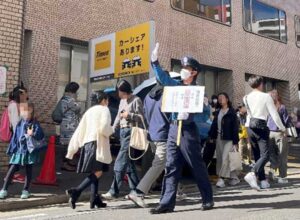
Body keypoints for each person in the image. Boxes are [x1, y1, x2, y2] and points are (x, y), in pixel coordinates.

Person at [149, 43, 214, 214]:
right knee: (171, 166)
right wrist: (154, 61)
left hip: (188, 130)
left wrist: (196, 111)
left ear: (194, 72)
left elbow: (205, 115)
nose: (183, 69)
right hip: (173, 128)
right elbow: (163, 78)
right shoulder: (176, 84)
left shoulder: (198, 91)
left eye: (187, 67)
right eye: (183, 66)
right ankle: (166, 203)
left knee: (196, 165)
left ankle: (207, 199)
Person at [127, 80, 186, 208]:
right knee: (159, 164)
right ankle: (138, 192)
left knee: (170, 162)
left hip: (152, 134)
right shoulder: (168, 94)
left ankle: (177, 190)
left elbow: (146, 115)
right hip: (165, 134)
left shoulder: (148, 96)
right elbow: (170, 117)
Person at [65, 91, 113, 209]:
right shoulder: (104, 110)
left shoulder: (89, 111)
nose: (107, 102)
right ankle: (76, 191)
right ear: (103, 100)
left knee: (95, 172)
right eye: (106, 100)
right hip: (98, 143)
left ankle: (94, 199)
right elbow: (104, 128)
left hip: (87, 144)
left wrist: (71, 150)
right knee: (98, 172)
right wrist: (111, 131)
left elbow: (79, 131)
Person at [102, 79, 144, 199]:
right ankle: (137, 190)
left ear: (124, 90)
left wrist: (129, 115)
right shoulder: (122, 101)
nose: (118, 94)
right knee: (129, 163)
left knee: (120, 161)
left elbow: (141, 118)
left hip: (131, 132)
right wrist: (112, 129)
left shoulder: (136, 100)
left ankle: (113, 191)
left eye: (119, 91)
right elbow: (118, 117)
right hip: (123, 132)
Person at [243, 75, 286, 190]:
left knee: (257, 155)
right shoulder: (266, 96)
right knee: (265, 155)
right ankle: (252, 173)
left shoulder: (245, 97)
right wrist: (282, 128)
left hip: (249, 127)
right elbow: (274, 115)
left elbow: (248, 114)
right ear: (261, 84)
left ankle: (262, 181)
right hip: (261, 126)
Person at [0, 103, 44, 199]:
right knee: (11, 170)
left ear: (31, 110)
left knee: (29, 170)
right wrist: (12, 149)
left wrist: (32, 134)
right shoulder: (20, 123)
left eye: (24, 111)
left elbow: (40, 135)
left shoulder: (34, 123)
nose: (22, 113)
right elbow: (15, 137)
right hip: (19, 151)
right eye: (21, 111)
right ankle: (4, 189)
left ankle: (26, 190)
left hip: (29, 151)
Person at [209, 93, 240, 188]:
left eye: (222, 97)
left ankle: (221, 179)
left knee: (225, 158)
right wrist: (211, 136)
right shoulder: (217, 112)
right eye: (219, 98)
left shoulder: (232, 112)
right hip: (218, 138)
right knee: (220, 159)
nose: (220, 99)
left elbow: (235, 128)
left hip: (228, 138)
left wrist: (235, 142)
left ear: (227, 99)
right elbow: (214, 125)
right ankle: (234, 177)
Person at [267, 90, 289, 184]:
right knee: (278, 155)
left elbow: (286, 121)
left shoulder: (278, 108)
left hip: (275, 133)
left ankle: (277, 174)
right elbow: (286, 121)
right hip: (275, 133)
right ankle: (278, 175)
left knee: (277, 155)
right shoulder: (278, 107)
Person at [60, 82, 81, 171]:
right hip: (70, 126)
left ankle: (68, 162)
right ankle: (65, 164)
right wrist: (75, 100)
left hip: (65, 124)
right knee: (69, 145)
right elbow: (78, 108)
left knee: (68, 145)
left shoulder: (63, 98)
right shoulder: (70, 99)